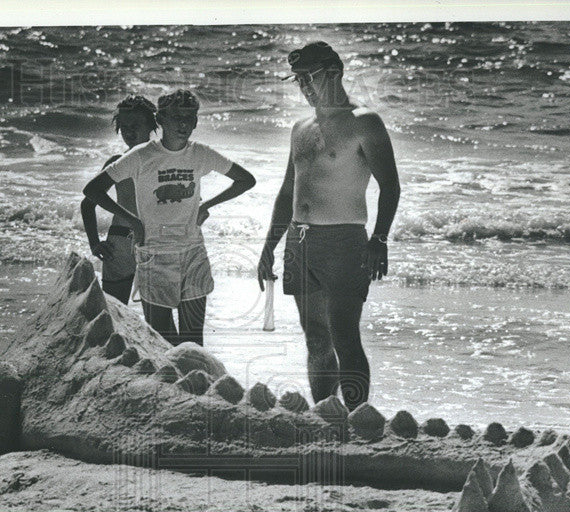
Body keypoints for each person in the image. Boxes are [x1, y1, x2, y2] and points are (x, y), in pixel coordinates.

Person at [257, 42, 400, 411]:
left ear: (334, 71)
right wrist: (270, 245)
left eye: (309, 76)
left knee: (344, 337)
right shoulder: (300, 127)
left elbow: (390, 186)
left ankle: (357, 419)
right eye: (298, 80)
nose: (303, 85)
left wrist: (379, 239)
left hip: (344, 240)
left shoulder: (364, 122)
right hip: (299, 240)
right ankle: (326, 416)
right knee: (316, 339)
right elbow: (289, 189)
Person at [83, 89, 255, 347]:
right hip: (138, 247)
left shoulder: (196, 153)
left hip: (183, 248)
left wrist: (205, 205)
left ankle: (186, 376)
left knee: (185, 337)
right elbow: (90, 196)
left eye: (189, 118)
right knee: (137, 328)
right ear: (162, 119)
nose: (184, 124)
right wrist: (116, 230)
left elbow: (244, 180)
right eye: (176, 117)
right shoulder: (131, 158)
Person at [81, 95, 157, 304]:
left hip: (154, 244)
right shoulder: (117, 163)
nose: (130, 131)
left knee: (158, 319)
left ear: (152, 124)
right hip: (119, 244)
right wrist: (94, 243)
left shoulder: (163, 161)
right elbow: (88, 202)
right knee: (113, 314)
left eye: (136, 125)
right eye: (124, 127)